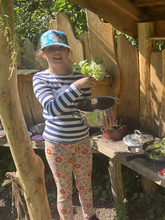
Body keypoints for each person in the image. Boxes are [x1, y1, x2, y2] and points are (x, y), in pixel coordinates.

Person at [33, 30, 116, 220]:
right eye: (51, 48)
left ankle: (90, 215)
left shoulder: (80, 77)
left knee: (85, 184)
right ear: (43, 54)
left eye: (61, 47)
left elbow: (87, 113)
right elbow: (53, 109)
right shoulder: (40, 79)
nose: (57, 52)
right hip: (57, 146)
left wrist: (104, 124)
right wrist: (76, 85)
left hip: (82, 143)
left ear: (68, 52)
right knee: (64, 190)